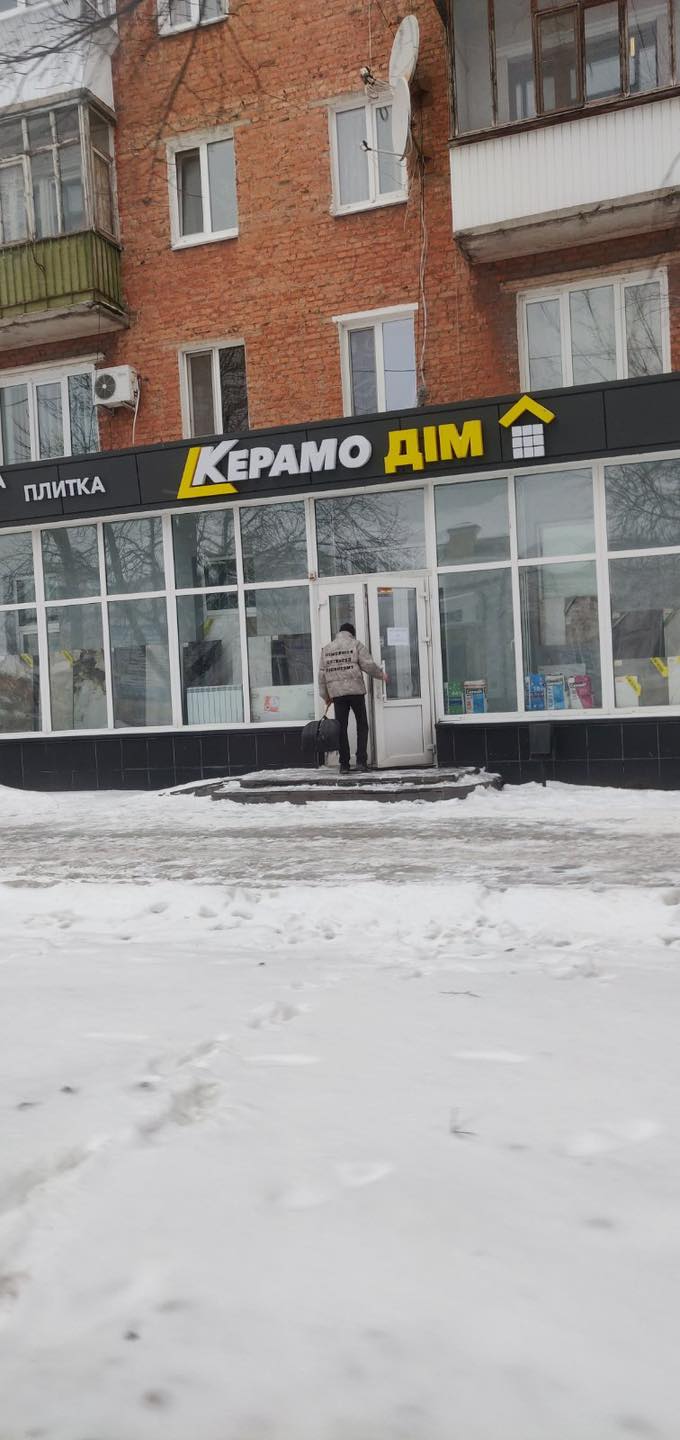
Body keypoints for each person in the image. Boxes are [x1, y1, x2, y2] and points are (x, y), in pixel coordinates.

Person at [318, 622, 388, 773]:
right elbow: (368, 665)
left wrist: (326, 696)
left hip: (338, 695)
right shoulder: (356, 644)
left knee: (341, 728)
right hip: (356, 692)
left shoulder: (326, 649)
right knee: (362, 725)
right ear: (351, 634)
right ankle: (361, 762)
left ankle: (344, 765)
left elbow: (321, 675)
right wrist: (381, 675)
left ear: (339, 632)